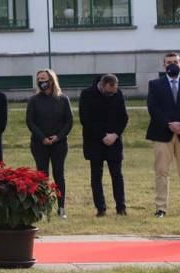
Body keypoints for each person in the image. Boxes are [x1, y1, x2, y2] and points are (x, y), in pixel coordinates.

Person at [146, 52, 180, 218]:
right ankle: (161, 208)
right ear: (164, 65)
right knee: (161, 172)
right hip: (162, 133)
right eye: (169, 62)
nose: (172, 65)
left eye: (175, 62)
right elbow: (153, 108)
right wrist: (168, 124)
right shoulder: (155, 85)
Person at [79, 73, 129, 217]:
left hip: (114, 141)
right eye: (109, 92)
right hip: (94, 141)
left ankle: (121, 207)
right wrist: (102, 136)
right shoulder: (87, 94)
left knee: (117, 175)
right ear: (102, 85)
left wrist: (115, 134)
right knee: (96, 176)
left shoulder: (118, 94)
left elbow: (123, 117)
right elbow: (85, 119)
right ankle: (100, 208)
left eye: (114, 92)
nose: (111, 94)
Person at [26, 68, 73, 217]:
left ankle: (61, 208)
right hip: (39, 144)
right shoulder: (34, 100)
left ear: (52, 80)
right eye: (39, 79)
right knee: (42, 176)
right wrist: (42, 138)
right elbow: (30, 121)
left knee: (59, 174)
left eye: (44, 78)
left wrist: (58, 137)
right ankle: (42, 207)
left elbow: (69, 122)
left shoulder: (63, 99)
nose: (41, 81)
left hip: (59, 144)